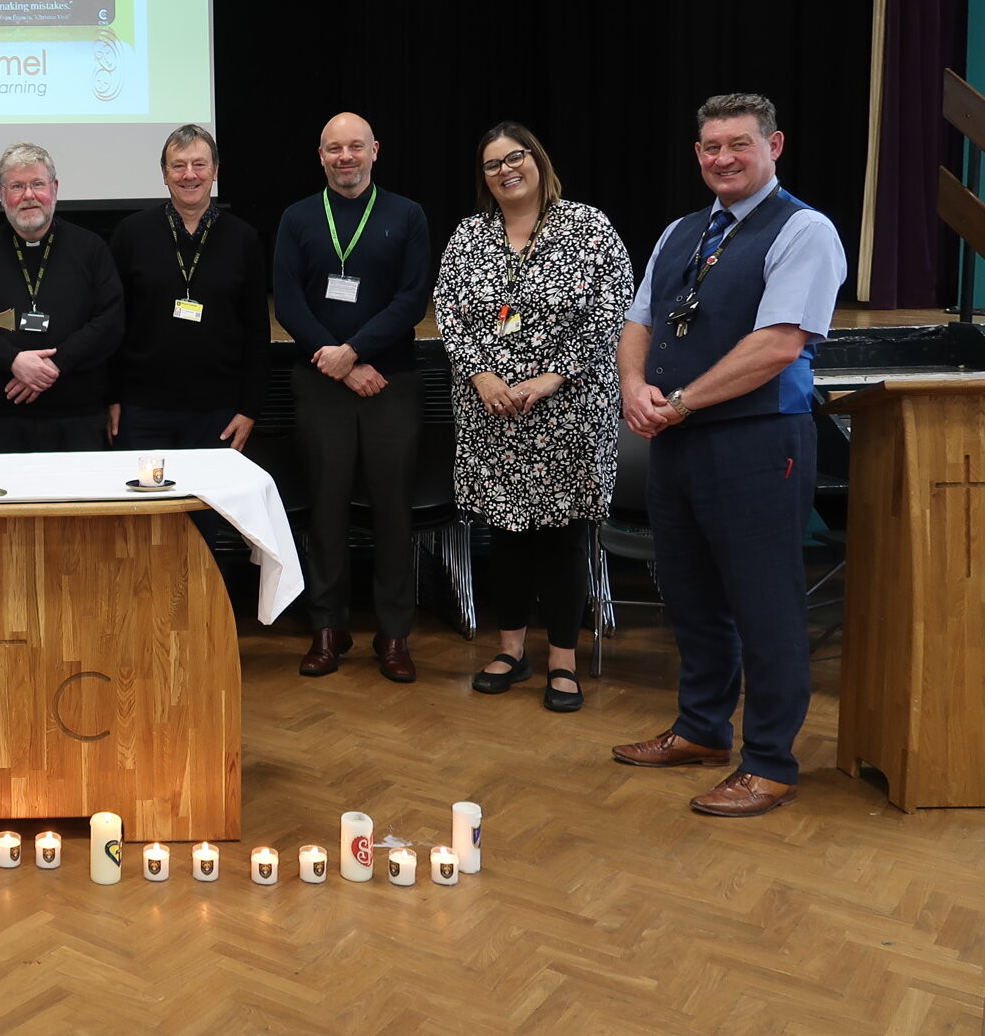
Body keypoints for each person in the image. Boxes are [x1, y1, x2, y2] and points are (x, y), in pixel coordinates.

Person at [612, 93, 846, 817]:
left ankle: (770, 762)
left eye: (739, 144)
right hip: (676, 442)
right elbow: (639, 317)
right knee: (690, 594)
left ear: (774, 145)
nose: (723, 158)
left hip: (757, 441)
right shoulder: (684, 230)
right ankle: (702, 729)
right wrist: (632, 387)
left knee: (766, 604)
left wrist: (677, 401)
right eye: (711, 146)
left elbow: (777, 344)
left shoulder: (804, 229)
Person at [433, 125, 632, 712]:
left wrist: (552, 377)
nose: (505, 170)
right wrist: (481, 375)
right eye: (492, 164)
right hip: (490, 413)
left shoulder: (588, 228)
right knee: (508, 539)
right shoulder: (470, 236)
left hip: (567, 411)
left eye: (514, 157)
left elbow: (611, 312)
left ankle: (563, 660)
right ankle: (511, 650)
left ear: (537, 160)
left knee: (565, 539)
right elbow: (450, 313)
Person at [273, 112, 431, 682]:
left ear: (374, 151)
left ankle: (393, 635)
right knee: (327, 509)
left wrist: (358, 351)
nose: (346, 157)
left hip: (390, 381)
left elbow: (414, 297)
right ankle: (327, 628)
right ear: (321, 155)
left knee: (392, 511)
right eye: (335, 148)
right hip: (321, 384)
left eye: (355, 147)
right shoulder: (297, 218)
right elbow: (288, 303)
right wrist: (339, 363)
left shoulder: (406, 215)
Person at [108, 124, 267, 455]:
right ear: (164, 174)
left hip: (219, 412)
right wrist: (111, 398)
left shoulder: (244, 239)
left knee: (208, 507)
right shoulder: (131, 234)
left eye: (199, 164)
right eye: (178, 165)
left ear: (216, 170)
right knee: (147, 507)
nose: (189, 175)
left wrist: (249, 409)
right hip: (142, 411)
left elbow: (256, 332)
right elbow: (112, 325)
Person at [0, 142, 124, 452]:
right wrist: (14, 361)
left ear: (55, 187)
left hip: (79, 418)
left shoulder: (90, 249)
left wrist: (55, 365)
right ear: (1, 193)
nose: (29, 195)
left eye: (37, 184)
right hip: (1, 421)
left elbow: (110, 322)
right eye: (17, 186)